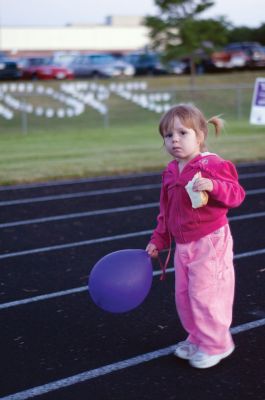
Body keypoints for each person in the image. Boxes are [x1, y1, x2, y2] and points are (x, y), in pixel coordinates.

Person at [146, 103, 245, 369]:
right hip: (183, 244)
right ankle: (198, 337)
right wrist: (159, 239)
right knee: (185, 295)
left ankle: (217, 344)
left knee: (206, 294)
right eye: (168, 135)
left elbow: (236, 195)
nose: (174, 139)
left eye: (182, 133)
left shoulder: (212, 164)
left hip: (209, 241)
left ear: (200, 136)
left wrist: (214, 185)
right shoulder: (171, 171)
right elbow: (166, 210)